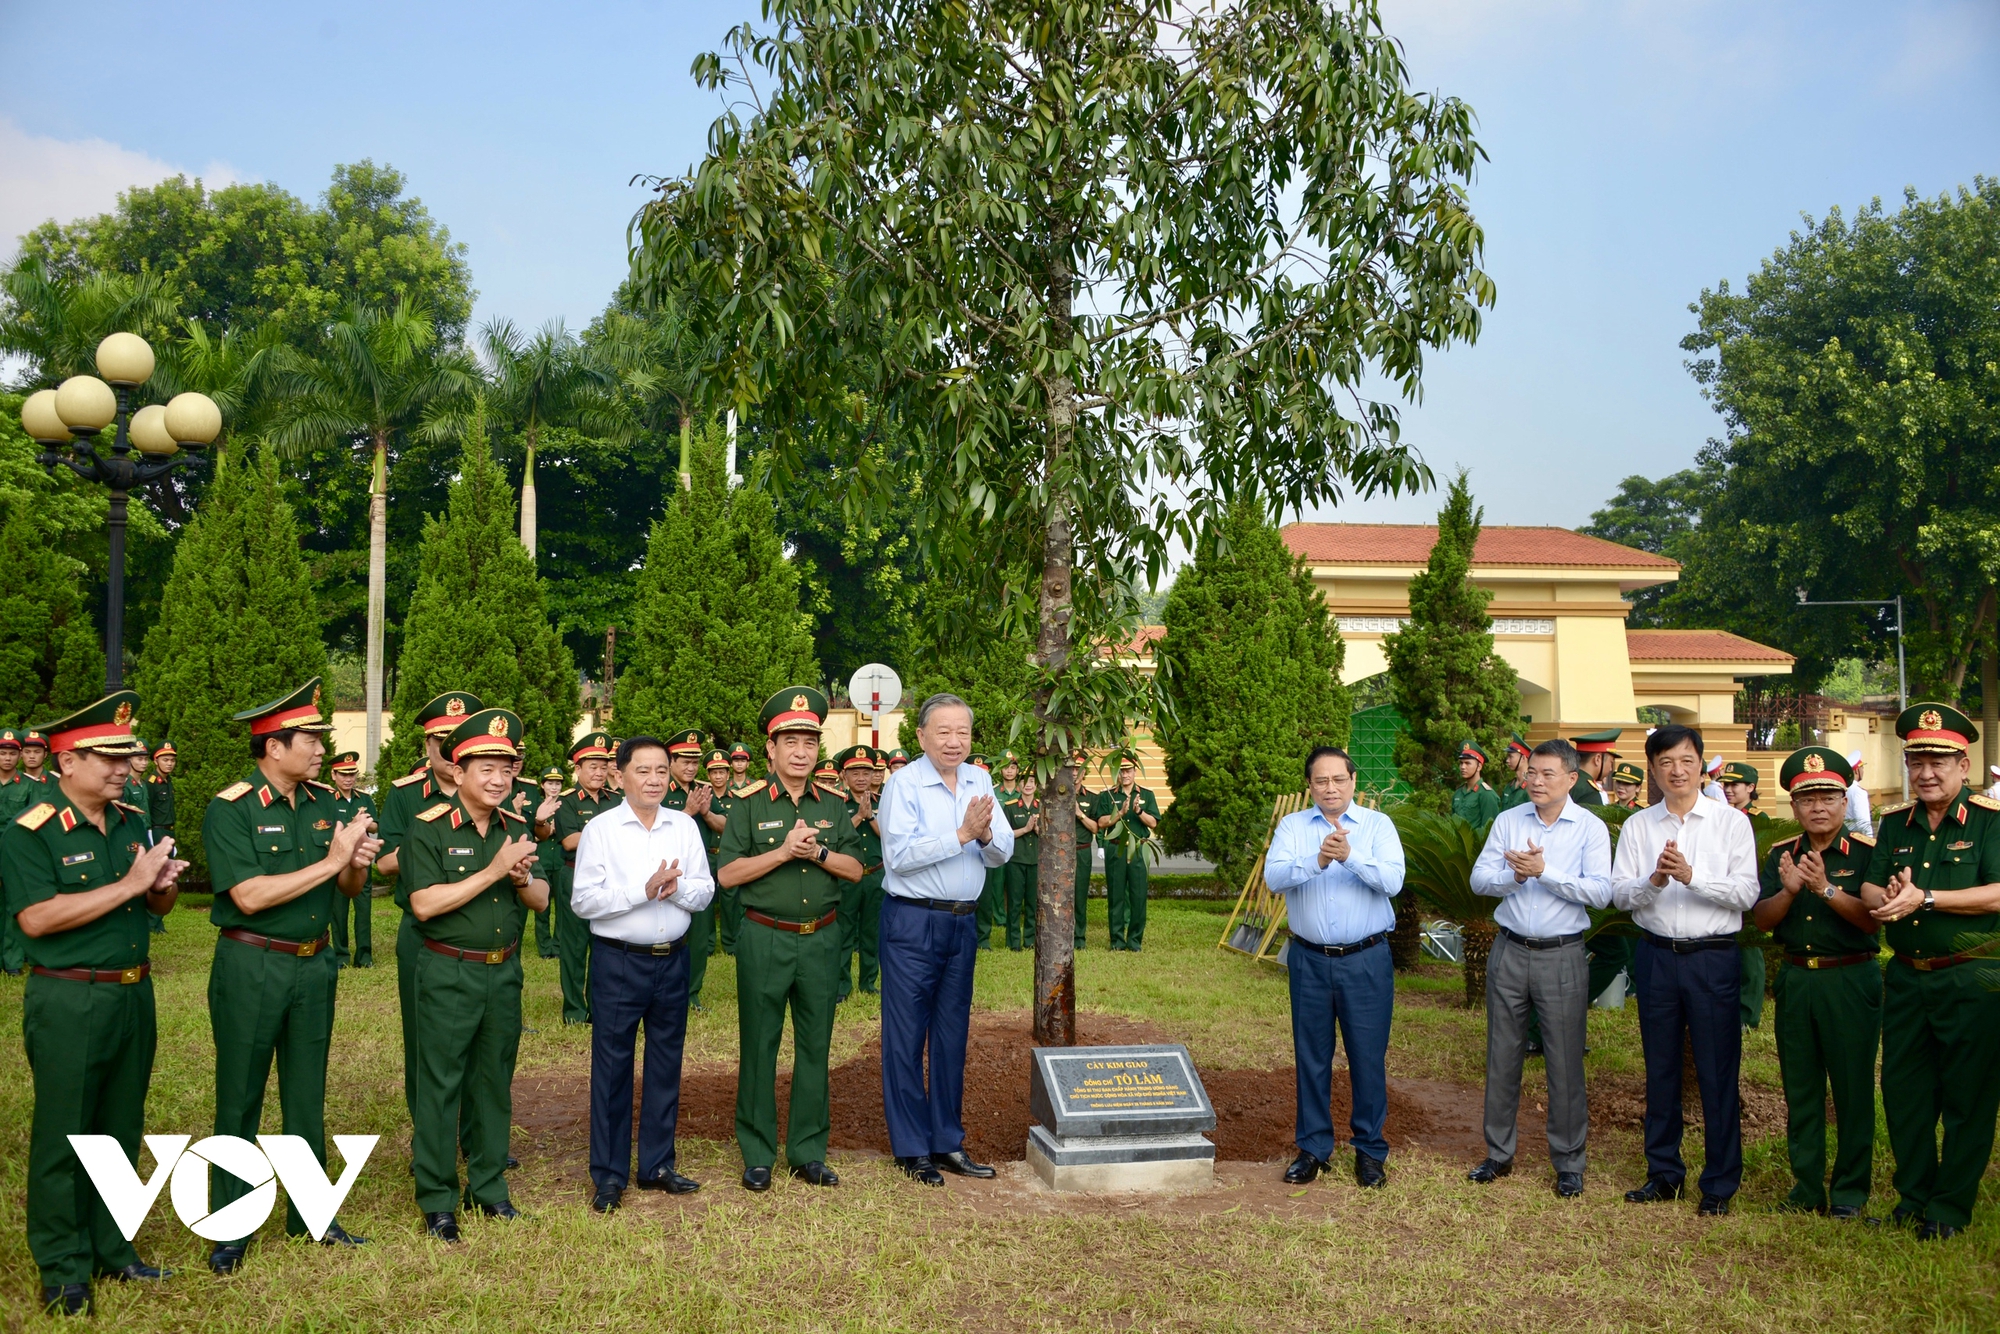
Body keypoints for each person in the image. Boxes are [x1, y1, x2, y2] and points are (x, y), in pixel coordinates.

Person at [3, 692, 187, 1317]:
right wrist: (130, 884)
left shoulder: (132, 819)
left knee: (119, 1125)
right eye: (105, 757)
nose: (120, 768)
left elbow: (149, 906)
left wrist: (158, 889)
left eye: (124, 757)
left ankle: (113, 1247)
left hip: (134, 991)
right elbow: (37, 916)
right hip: (70, 995)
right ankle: (62, 1264)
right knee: (67, 1130)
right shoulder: (30, 831)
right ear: (64, 762)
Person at [202, 679, 380, 1272]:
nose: (322, 748)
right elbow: (248, 895)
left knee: (307, 1094)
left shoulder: (327, 803)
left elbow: (347, 887)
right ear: (273, 747)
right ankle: (230, 1224)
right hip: (252, 961)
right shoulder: (230, 808)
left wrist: (353, 866)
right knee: (241, 1097)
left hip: (313, 962)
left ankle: (312, 1216)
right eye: (311, 738)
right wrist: (332, 861)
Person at [399, 707, 548, 1240]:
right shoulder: (428, 828)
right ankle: (438, 1198)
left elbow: (542, 898)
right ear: (457, 772)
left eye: (506, 769)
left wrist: (522, 877)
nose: (498, 778)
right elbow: (423, 904)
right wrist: (492, 871)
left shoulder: (516, 827)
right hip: (447, 971)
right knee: (441, 1085)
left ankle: (487, 1189)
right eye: (485, 767)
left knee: (494, 1084)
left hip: (503, 972)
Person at [1859, 703, 2000, 1241]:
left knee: (1968, 1096)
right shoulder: (1895, 822)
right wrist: (1888, 896)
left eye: (1940, 761)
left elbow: (1996, 891)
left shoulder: (1990, 821)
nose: (1927, 772)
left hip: (1972, 977)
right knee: (1905, 1092)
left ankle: (1949, 1208)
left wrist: (1930, 898)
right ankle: (1912, 1198)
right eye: (1917, 760)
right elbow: (1870, 884)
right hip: (1907, 978)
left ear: (1965, 765)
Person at [716, 687, 864, 1191]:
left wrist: (817, 853)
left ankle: (807, 1151)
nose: (801, 751)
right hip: (765, 937)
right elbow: (729, 874)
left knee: (815, 1046)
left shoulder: (835, 805)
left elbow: (855, 869)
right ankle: (757, 1152)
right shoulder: (749, 805)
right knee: (759, 1045)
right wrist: (783, 853)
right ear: (771, 749)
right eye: (790, 741)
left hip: (821, 939)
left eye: (809, 741)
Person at [1611, 724, 1757, 1216]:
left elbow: (1746, 893)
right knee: (1661, 1066)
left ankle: (1718, 1183)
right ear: (1653, 769)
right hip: (1656, 955)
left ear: (1700, 764)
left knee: (1718, 1070)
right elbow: (1621, 895)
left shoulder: (1730, 823)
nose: (1677, 770)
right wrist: (1654, 879)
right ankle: (1664, 1173)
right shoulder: (1638, 827)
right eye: (1666, 762)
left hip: (1713, 958)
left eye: (1686, 760)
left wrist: (1692, 877)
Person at [570, 735, 714, 1214]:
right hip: (619, 961)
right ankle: (609, 1175)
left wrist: (673, 892)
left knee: (665, 1064)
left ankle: (656, 1164)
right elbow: (584, 901)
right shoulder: (602, 829)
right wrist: (643, 889)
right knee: (612, 1068)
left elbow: (704, 890)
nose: (653, 780)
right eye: (643, 771)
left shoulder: (683, 827)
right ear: (620, 775)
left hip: (673, 958)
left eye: (660, 771)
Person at [876, 693, 1012, 1187]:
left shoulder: (980, 779)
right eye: (944, 732)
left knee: (952, 1035)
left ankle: (947, 1141)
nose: (955, 742)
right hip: (913, 921)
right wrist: (960, 833)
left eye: (963, 733)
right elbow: (900, 857)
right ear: (921, 737)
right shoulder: (903, 784)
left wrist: (982, 837)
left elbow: (1001, 851)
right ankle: (912, 1149)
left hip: (961, 923)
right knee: (907, 1036)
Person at [1466, 739, 1612, 1197]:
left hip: (1562, 954)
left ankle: (1569, 1162)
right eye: (1532, 773)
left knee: (1564, 1059)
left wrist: (1544, 873)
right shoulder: (1509, 820)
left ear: (1572, 779)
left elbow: (1601, 893)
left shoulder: (1589, 828)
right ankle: (1497, 1154)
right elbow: (1478, 878)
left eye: (1548, 774)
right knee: (1502, 1053)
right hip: (1509, 950)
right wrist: (1516, 876)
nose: (1536, 781)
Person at [1263, 745, 1406, 1188]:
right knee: (1311, 1057)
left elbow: (1393, 880)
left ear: (1353, 782)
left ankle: (1369, 1151)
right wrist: (1318, 859)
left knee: (1367, 1057)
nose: (1330, 788)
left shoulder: (1378, 826)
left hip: (1365, 960)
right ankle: (1313, 1148)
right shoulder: (1292, 827)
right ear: (1310, 786)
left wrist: (1350, 857)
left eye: (1338, 779)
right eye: (1321, 781)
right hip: (1309, 959)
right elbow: (1274, 878)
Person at [1753, 746, 1880, 1220]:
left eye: (1828, 796)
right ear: (1794, 807)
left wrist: (1826, 889)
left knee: (1851, 1089)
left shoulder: (1867, 853)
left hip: (1849, 977)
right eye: (1808, 799)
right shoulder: (1782, 855)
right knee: (1800, 1088)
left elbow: (1871, 924)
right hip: (1796, 980)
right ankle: (1805, 1186)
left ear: (1845, 803)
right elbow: (1763, 921)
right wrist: (1789, 891)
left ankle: (1849, 1192)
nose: (1818, 807)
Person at [376, 690, 484, 1117]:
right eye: (441, 740)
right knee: (425, 1040)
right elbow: (385, 862)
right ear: (428, 745)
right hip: (423, 933)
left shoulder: (491, 789)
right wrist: (436, 844)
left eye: (458, 738)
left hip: (478, 928)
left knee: (482, 1038)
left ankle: (477, 1135)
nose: (447, 748)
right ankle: (431, 1137)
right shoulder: (406, 794)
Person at [552, 732, 621, 1026]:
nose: (598, 772)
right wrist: (609, 835)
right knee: (574, 946)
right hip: (575, 875)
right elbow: (569, 841)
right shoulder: (566, 801)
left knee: (604, 944)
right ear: (577, 769)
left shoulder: (617, 800)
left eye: (603, 766)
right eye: (591, 766)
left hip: (611, 878)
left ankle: (597, 1008)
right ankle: (573, 1010)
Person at [660, 730, 721, 1009]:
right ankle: (666, 992)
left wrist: (706, 812)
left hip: (699, 872)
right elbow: (654, 829)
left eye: (695, 762)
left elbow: (725, 825)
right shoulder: (660, 788)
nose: (690, 767)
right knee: (668, 934)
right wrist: (687, 812)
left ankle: (692, 993)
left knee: (698, 937)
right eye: (684, 761)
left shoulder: (702, 789)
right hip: (668, 873)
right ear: (671, 761)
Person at [832, 745, 886, 998]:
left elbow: (890, 838)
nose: (862, 777)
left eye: (866, 771)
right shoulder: (835, 803)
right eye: (855, 772)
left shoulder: (883, 802)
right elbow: (832, 839)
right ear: (844, 775)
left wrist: (870, 816)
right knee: (843, 931)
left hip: (875, 876)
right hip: (846, 878)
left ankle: (868, 982)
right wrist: (857, 817)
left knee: (872, 932)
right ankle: (842, 985)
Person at [1094, 756, 1160, 951]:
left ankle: (1134, 941)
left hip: (1139, 848)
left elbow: (1153, 823)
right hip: (1116, 848)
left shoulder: (1147, 794)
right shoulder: (1108, 796)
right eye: (1121, 771)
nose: (1125, 774)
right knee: (1115, 896)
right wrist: (1120, 813)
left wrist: (1138, 811)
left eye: (1128, 770)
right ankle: (1116, 941)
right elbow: (1101, 822)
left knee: (1138, 896)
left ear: (1135, 772)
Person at [326, 751, 378, 968]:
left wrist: (365, 823)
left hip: (361, 861)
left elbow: (376, 825)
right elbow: (324, 828)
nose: (348, 779)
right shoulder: (326, 798)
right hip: (338, 862)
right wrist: (354, 824)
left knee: (364, 910)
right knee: (338, 912)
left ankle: (364, 956)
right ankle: (340, 955)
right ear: (333, 775)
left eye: (352, 774)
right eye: (343, 774)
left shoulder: (364, 798)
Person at [1003, 772, 1042, 951]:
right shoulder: (1010, 807)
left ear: (1036, 785)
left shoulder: (1041, 807)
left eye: (1032, 782)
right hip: (1016, 860)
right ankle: (1013, 941)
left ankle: (1030, 940)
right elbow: (1006, 834)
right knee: (1015, 902)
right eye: (1025, 782)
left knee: (1033, 903)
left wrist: (1036, 829)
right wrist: (1026, 829)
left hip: (1035, 860)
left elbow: (1048, 836)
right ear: (1019, 786)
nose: (1028, 785)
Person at [532, 767, 566, 958]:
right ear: (542, 785)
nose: (554, 787)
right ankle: (545, 948)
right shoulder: (536, 806)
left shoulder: (566, 805)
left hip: (561, 860)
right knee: (542, 906)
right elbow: (528, 835)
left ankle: (559, 946)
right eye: (550, 783)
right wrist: (546, 831)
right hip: (542, 860)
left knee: (562, 907)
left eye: (558, 783)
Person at [1071, 750, 1099, 949]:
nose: (1074, 773)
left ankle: (1079, 938)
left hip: (1082, 851)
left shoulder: (1092, 798)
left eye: (1078, 769)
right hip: (1060, 852)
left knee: (1079, 896)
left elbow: (1096, 827)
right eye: (1071, 768)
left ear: (1084, 772)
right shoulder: (1058, 794)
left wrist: (1079, 814)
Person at [1452, 741, 1500, 826]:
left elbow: (1489, 830)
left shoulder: (1487, 794)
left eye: (1467, 763)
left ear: (1479, 767)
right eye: (1461, 763)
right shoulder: (1458, 793)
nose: (1463, 767)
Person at [1567, 730, 1618, 805]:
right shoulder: (1590, 793)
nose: (1610, 769)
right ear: (1597, 759)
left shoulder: (1566, 780)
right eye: (1611, 762)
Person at [1497, 734, 1534, 811]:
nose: (1507, 760)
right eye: (1507, 757)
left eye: (1511, 757)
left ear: (1523, 758)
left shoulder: (1531, 787)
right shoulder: (1509, 787)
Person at [1845, 752, 1874, 836]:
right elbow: (1863, 823)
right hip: (1856, 838)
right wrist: (1870, 839)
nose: (1863, 771)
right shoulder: (1859, 792)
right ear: (1857, 770)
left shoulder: (1844, 789)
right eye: (1862, 768)